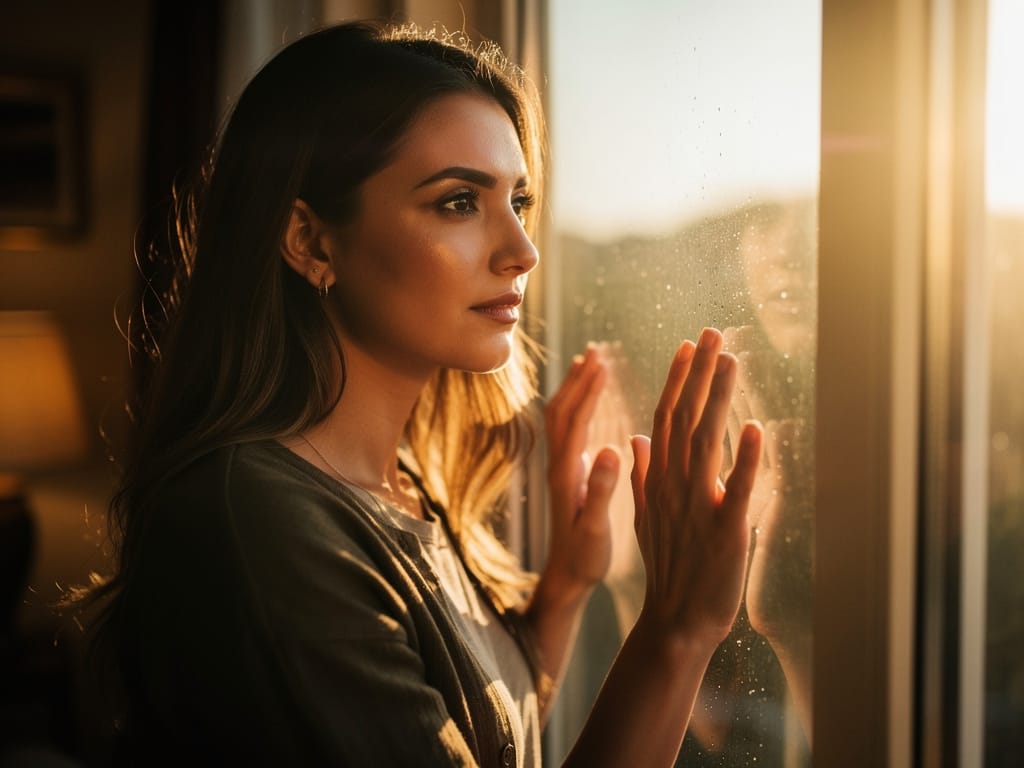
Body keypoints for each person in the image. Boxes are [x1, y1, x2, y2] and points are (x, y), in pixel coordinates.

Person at [81, 21, 763, 767]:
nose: (523, 251)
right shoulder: (262, 527)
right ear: (310, 242)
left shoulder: (400, 486)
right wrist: (676, 629)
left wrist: (565, 585)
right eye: (459, 202)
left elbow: (481, 740)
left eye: (520, 200)